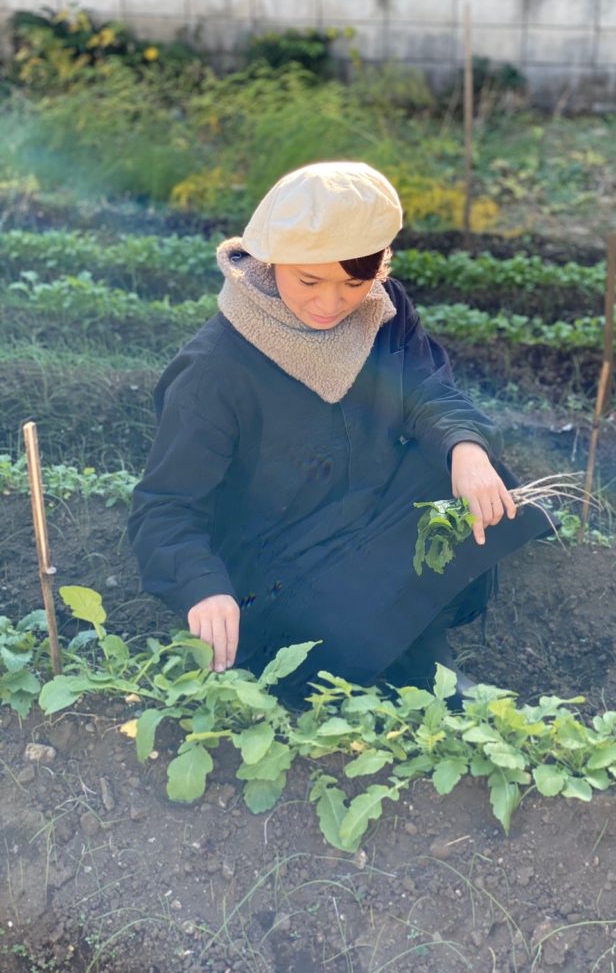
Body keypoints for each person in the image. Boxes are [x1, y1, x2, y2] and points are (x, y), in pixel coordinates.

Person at [127, 161, 551, 702]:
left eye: (354, 283)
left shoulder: (384, 312)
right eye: (309, 281)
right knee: (312, 664)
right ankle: (366, 668)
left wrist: (466, 449)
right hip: (276, 576)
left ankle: (420, 654)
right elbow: (165, 507)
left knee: (453, 471)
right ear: (270, 260)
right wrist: (203, 588)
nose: (330, 304)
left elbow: (429, 394)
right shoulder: (215, 369)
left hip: (358, 525)